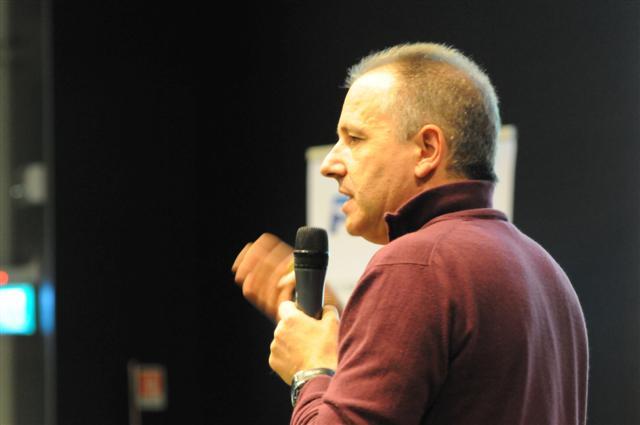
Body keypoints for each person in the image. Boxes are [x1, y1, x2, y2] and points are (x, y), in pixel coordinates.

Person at [232, 42, 588, 424]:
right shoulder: (550, 276)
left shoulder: (415, 266)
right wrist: (354, 328)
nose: (330, 164)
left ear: (427, 149)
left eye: (354, 139)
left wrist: (311, 370)